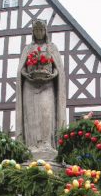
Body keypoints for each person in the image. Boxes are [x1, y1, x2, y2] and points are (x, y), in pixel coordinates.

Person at [16, 20, 66, 158]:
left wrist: (52, 74)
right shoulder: (27, 49)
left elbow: (58, 70)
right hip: (29, 86)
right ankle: (30, 145)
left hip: (47, 85)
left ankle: (46, 144)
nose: (39, 33)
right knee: (31, 114)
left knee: (46, 113)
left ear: (45, 31)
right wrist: (27, 74)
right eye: (36, 30)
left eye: (41, 30)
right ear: (33, 32)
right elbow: (22, 69)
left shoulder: (52, 48)